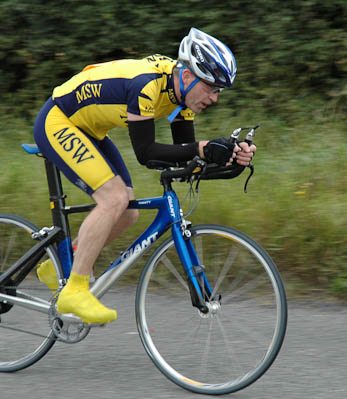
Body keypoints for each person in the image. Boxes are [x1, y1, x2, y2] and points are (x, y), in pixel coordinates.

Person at [33, 27, 256, 324]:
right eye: (211, 88)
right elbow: (147, 153)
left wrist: (230, 158)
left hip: (91, 129)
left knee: (128, 212)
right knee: (113, 199)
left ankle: (65, 261)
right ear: (188, 76)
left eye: (219, 91)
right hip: (58, 120)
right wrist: (203, 149)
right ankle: (74, 290)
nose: (214, 98)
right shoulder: (146, 86)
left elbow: (184, 155)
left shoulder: (181, 99)